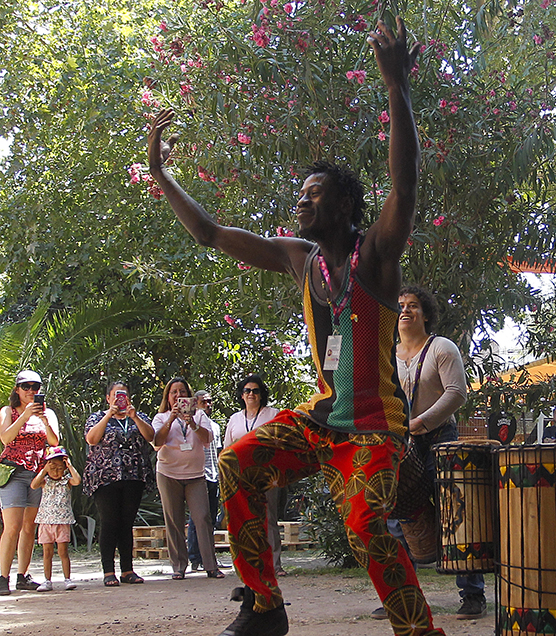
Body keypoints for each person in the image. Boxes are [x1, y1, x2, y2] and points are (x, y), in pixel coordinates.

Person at [147, 17, 442, 636]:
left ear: (343, 207)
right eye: (299, 195)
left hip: (372, 429)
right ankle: (264, 606)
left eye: (312, 195)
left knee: (365, 525)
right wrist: (163, 176)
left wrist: (398, 88)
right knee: (236, 461)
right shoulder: (298, 258)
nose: (299, 202)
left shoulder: (378, 257)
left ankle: (419, 632)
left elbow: (406, 185)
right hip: (319, 420)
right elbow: (210, 234)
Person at [384, 285, 485, 620]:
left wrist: (421, 423)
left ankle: (472, 595)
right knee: (398, 515)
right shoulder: (387, 353)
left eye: (413, 305)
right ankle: (403, 596)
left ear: (425, 313)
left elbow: (457, 393)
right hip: (404, 441)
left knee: (454, 511)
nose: (405, 310)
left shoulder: (442, 347)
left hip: (441, 436)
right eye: (400, 306)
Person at [151, 377, 224, 580]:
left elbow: (208, 439)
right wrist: (171, 420)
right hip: (168, 474)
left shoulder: (200, 415)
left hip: (195, 475)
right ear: (168, 396)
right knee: (173, 520)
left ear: (189, 395)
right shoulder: (160, 417)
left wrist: (191, 423)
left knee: (202, 518)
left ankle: (210, 565)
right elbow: (156, 443)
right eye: (174, 392)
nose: (178, 395)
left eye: (182, 391)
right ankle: (179, 567)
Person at [83, 380, 155, 586]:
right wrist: (109, 414)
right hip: (105, 477)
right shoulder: (97, 417)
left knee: (126, 522)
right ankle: (108, 571)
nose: (119, 399)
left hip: (133, 475)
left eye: (123, 395)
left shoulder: (138, 417)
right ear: (108, 398)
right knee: (109, 521)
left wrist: (133, 416)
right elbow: (92, 439)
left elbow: (151, 436)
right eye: (115, 395)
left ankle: (127, 569)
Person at [1, 370, 60, 595]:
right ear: (17, 389)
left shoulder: (48, 413)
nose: (31, 391)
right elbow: (5, 438)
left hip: (37, 474)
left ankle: (22, 576)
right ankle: (2, 576)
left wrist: (44, 421)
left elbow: (54, 442)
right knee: (12, 526)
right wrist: (24, 416)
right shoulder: (8, 411)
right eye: (26, 387)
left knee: (29, 527)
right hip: (13, 471)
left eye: (35, 387)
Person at [222, 376, 283, 575]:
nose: (251, 394)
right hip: (241, 475)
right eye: (247, 391)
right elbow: (227, 449)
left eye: (255, 391)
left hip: (267, 474)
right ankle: (248, 564)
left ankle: (274, 565)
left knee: (269, 518)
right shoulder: (234, 419)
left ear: (262, 394)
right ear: (241, 395)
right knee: (245, 518)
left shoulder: (273, 414)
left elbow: (282, 442)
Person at [30, 446, 81, 591]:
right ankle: (47, 580)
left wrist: (69, 465)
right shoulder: (45, 481)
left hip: (63, 521)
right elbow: (33, 485)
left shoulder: (66, 481)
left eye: (59, 468)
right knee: (47, 552)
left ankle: (67, 578)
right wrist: (44, 470)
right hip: (46, 521)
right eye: (52, 468)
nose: (56, 472)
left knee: (63, 551)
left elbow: (77, 480)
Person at [188, 389, 224, 572]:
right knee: (197, 517)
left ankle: (209, 556)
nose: (207, 405)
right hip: (197, 474)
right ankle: (194, 557)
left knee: (209, 518)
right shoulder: (189, 424)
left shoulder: (214, 426)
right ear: (195, 404)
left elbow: (217, 452)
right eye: (203, 402)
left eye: (209, 402)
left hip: (213, 475)